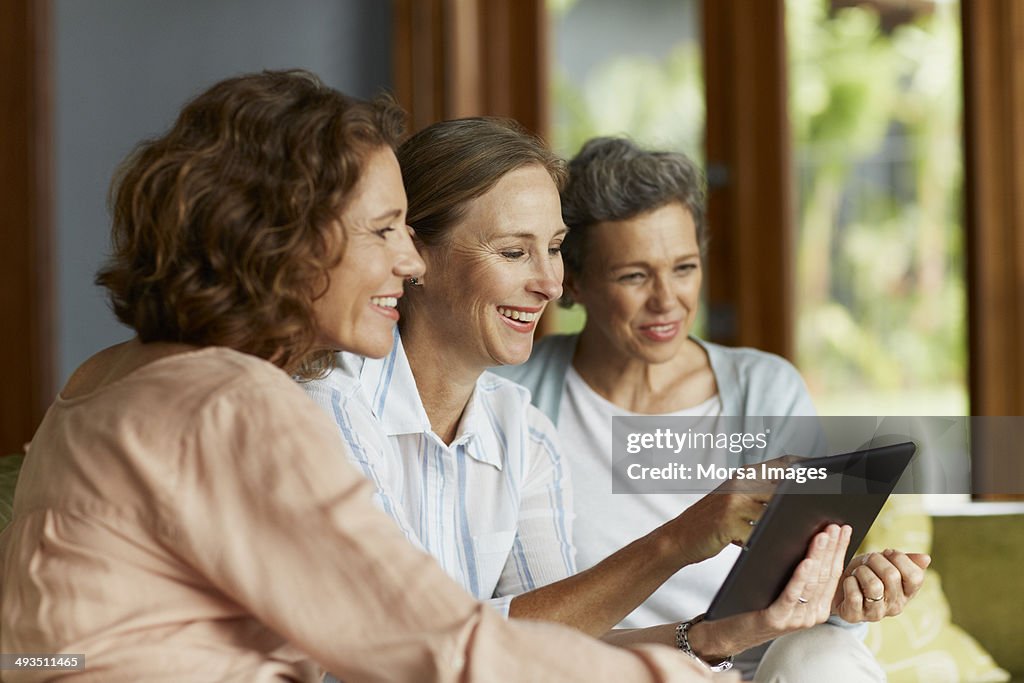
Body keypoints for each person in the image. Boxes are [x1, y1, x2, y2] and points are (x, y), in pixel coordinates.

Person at [0, 71, 728, 683]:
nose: (406, 262)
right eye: (383, 230)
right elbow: (440, 648)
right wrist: (674, 674)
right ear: (287, 236)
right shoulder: (237, 405)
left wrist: (711, 641)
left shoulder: (116, 376)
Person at [302, 117, 858, 675]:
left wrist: (717, 637)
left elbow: (551, 650)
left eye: (554, 248)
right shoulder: (328, 410)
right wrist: (678, 540)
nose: (549, 282)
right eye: (514, 253)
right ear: (414, 256)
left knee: (821, 656)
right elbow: (415, 652)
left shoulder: (521, 430)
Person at [495, 136, 932, 680]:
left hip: (763, 667)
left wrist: (851, 593)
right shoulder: (513, 394)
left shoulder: (766, 389)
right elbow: (508, 627)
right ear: (574, 282)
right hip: (611, 670)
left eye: (684, 268)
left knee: (822, 657)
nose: (667, 299)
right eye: (634, 275)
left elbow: (812, 581)